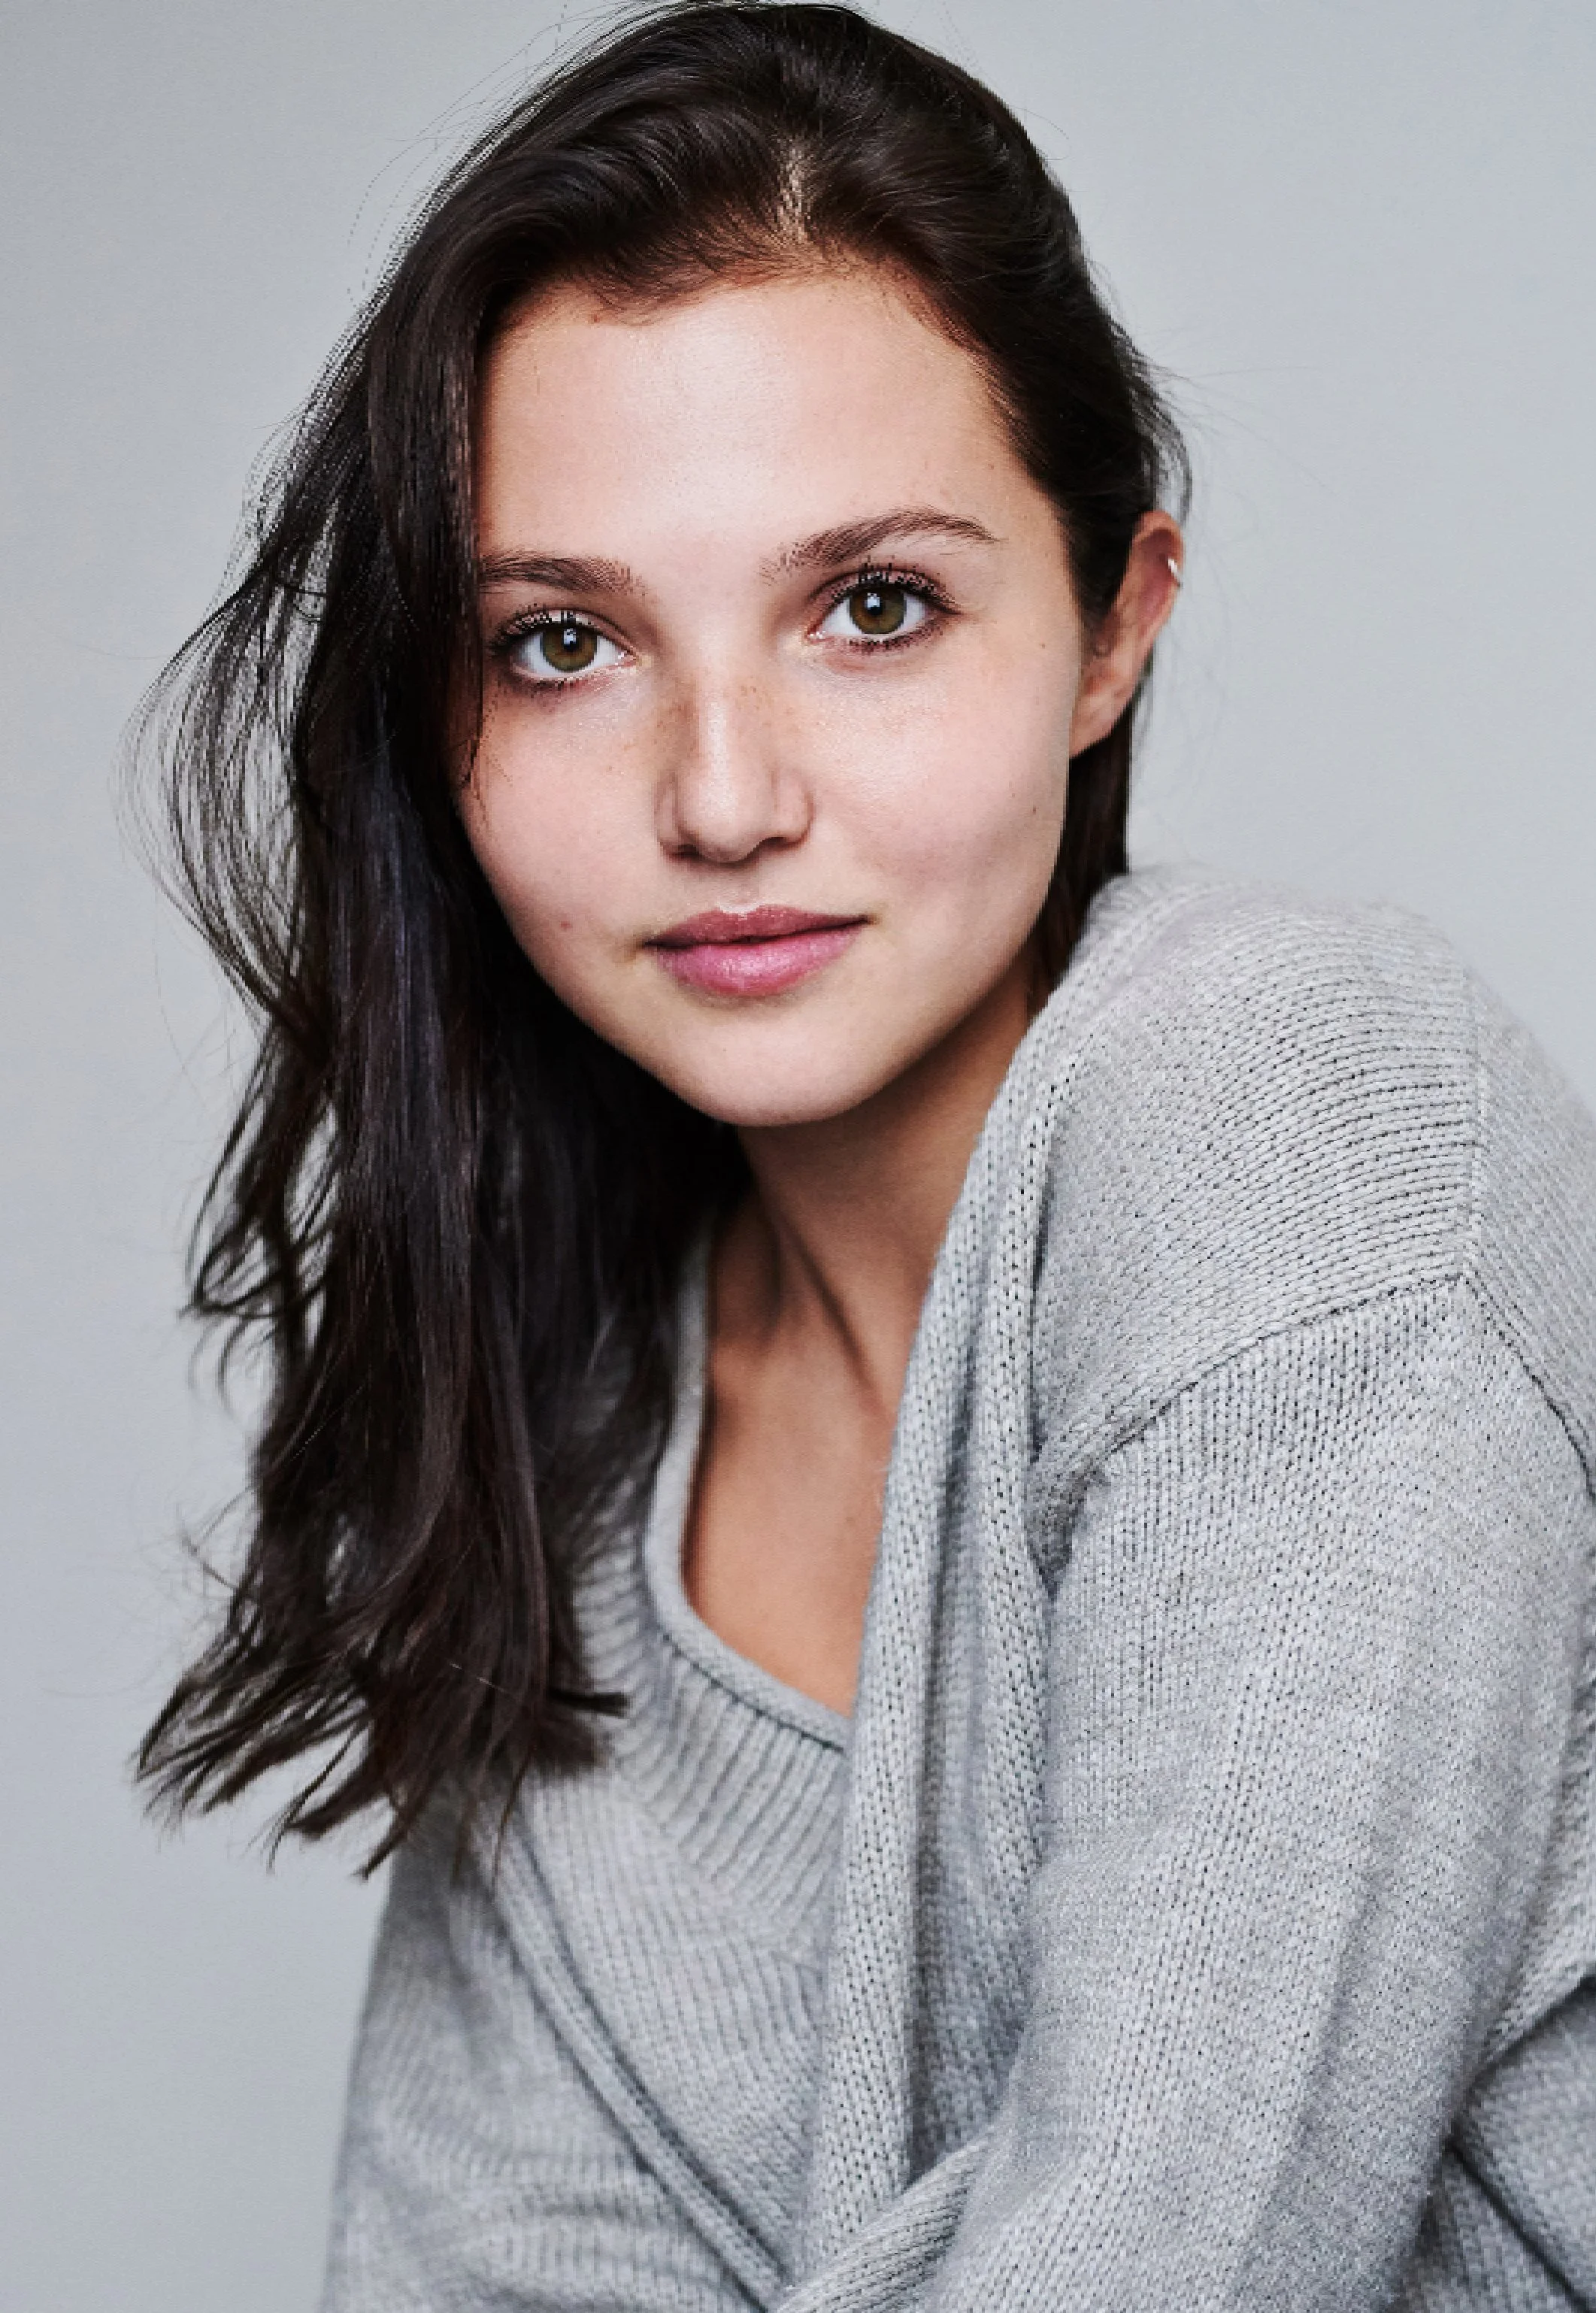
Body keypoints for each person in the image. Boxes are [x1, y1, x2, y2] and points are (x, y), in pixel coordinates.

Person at [136, 5, 1596, 2308]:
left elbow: (1173, 2265)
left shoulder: (1302, 1110)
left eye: (874, 607)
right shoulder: (576, 1487)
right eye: (563, 642)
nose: (723, 795)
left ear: (1116, 626)